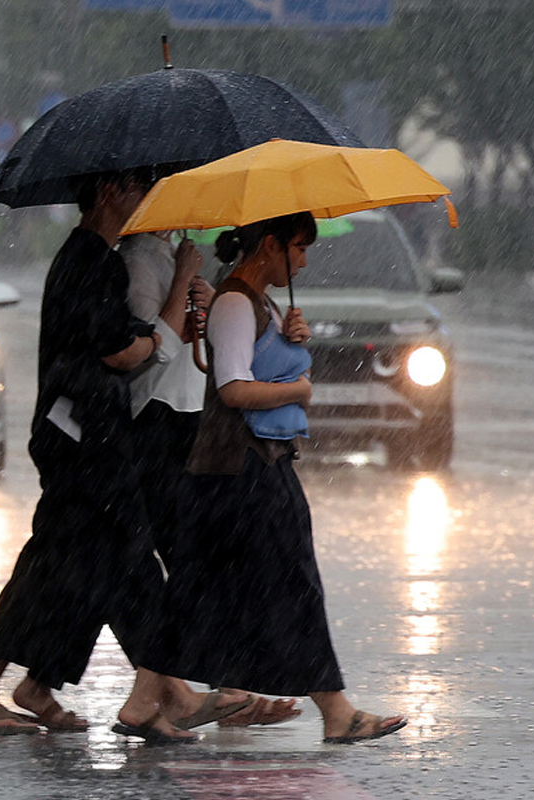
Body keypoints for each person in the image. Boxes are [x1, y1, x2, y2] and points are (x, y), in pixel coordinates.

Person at [0, 172, 242, 741]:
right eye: (137, 189)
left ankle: (33, 684)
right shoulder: (91, 260)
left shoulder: (94, 257)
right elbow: (124, 352)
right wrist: (174, 298)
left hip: (88, 435)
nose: (145, 201)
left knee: (73, 564)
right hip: (82, 440)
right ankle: (164, 692)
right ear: (110, 191)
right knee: (119, 555)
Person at [156, 212, 407, 744]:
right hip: (241, 467)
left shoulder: (260, 304)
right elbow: (233, 390)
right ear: (268, 245)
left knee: (219, 586)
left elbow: (260, 368)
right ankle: (335, 712)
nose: (303, 260)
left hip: (261, 461)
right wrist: (299, 388)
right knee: (288, 582)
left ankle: (160, 698)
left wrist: (293, 342)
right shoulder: (233, 303)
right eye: (296, 248)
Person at [120, 230, 302, 729]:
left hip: (188, 414)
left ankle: (226, 687)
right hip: (157, 418)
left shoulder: (189, 262)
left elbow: (203, 346)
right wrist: (188, 288)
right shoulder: (142, 261)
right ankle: (213, 689)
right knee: (188, 564)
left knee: (202, 564)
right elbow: (153, 342)